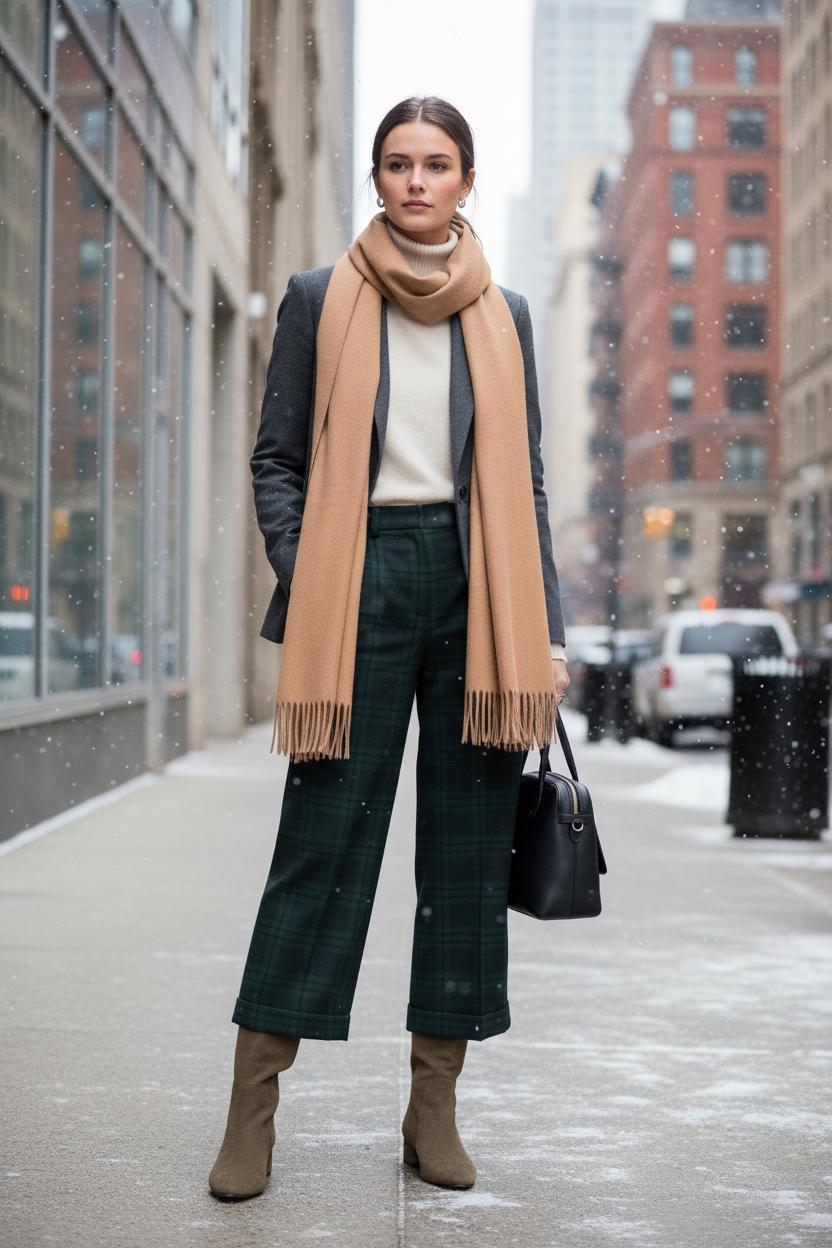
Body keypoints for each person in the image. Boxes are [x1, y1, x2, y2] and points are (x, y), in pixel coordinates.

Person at [208, 95, 570, 1201]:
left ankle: (433, 1107)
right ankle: (252, 1108)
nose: (418, 181)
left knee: (464, 860)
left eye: (439, 164)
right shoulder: (321, 300)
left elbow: (529, 484)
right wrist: (308, 558)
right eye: (400, 164)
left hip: (480, 595)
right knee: (321, 848)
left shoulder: (503, 313)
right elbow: (278, 457)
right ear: (376, 179)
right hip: (356, 581)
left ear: (464, 179)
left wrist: (543, 630)